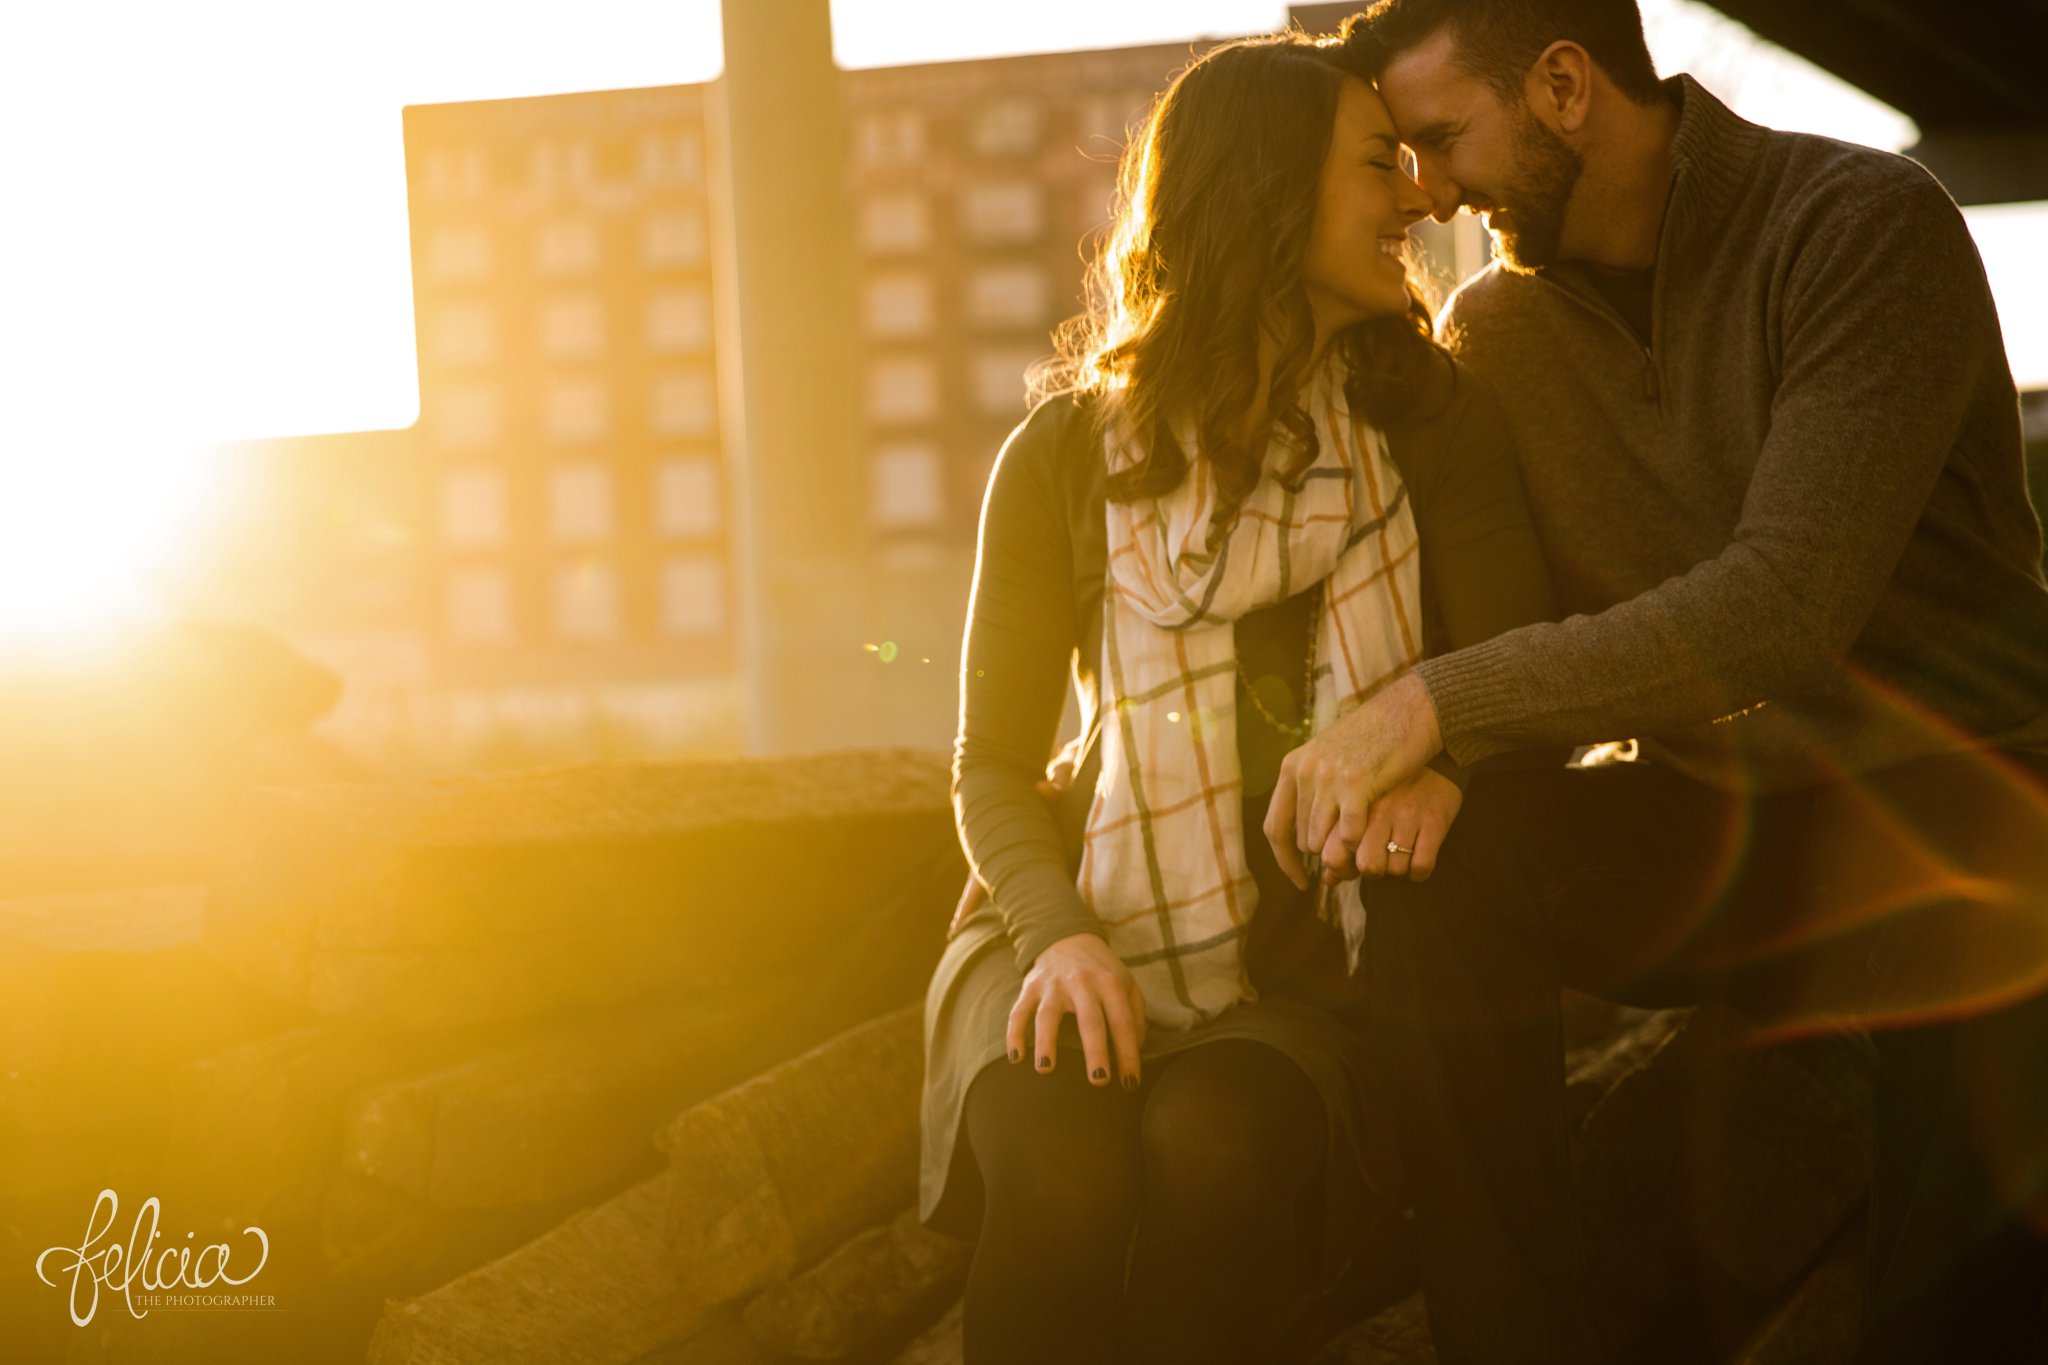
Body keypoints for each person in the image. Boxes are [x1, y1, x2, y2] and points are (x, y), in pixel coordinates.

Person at [1256, 3, 2048, 1363]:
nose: (1428, 189)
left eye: (1442, 140)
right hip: (1740, 835)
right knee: (1447, 874)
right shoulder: (1493, 334)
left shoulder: (1861, 227)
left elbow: (1782, 607)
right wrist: (1432, 764)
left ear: (1564, 85)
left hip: (1972, 804)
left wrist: (1434, 705)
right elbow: (1498, 615)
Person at [917, 31, 1563, 1365]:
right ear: (1265, 189)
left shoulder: (1436, 427)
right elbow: (990, 763)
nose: (1414, 199)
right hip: (1069, 930)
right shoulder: (1058, 458)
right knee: (1058, 1151)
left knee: (1214, 1143)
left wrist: (1449, 766)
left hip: (1305, 972)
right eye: (1378, 164)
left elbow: (1516, 686)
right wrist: (1057, 934)